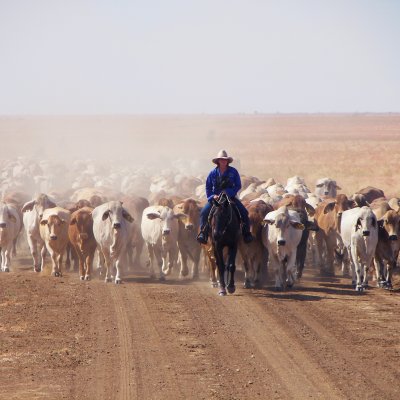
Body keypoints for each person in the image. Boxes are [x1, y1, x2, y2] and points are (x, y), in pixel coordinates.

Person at [197, 150, 253, 244]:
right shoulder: (212, 173)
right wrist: (212, 196)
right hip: (216, 199)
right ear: (218, 161)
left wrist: (228, 192)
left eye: (225, 160)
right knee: (204, 212)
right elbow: (208, 187)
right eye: (221, 160)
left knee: (244, 212)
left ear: (227, 161)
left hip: (230, 197)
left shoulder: (233, 172)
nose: (223, 161)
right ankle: (203, 233)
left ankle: (246, 233)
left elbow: (238, 185)